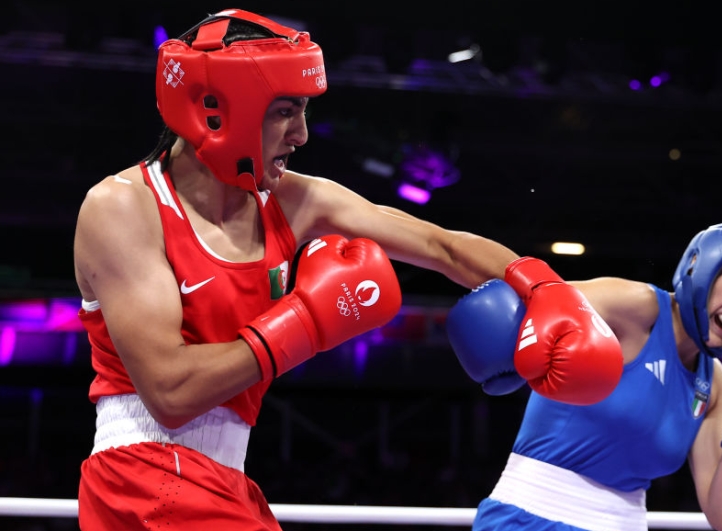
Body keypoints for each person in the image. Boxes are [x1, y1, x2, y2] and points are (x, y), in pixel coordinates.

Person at [72, 8, 623, 530]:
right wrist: (304, 322)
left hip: (226, 478)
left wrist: (542, 285)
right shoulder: (124, 207)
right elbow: (170, 393)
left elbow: (442, 246)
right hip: (144, 479)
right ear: (218, 109)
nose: (302, 135)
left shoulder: (293, 201)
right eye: (285, 111)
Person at [447, 222, 722, 531]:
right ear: (701, 267)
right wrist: (436, 246)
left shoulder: (716, 384)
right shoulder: (635, 307)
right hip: (531, 518)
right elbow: (528, 289)